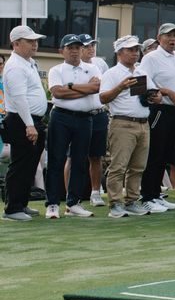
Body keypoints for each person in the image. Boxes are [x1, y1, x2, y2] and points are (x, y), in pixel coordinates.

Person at [98, 35, 160, 217]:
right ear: (119, 52)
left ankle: (132, 200)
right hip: (122, 123)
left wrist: (154, 97)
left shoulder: (140, 72)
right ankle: (115, 203)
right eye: (130, 50)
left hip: (142, 123)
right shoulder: (112, 73)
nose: (135, 53)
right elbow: (103, 98)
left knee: (138, 166)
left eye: (136, 50)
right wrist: (120, 87)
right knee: (119, 166)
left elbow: (153, 94)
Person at [46, 34, 104, 219]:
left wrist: (70, 87)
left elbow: (96, 88)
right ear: (61, 51)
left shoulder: (92, 67)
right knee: (56, 160)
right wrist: (83, 88)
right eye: (70, 47)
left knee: (80, 161)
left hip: (85, 119)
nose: (74, 51)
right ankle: (53, 203)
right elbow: (57, 93)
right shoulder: (56, 69)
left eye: (78, 47)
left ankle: (74, 203)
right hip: (61, 117)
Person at [2, 26, 49, 222]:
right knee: (20, 165)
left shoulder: (29, 63)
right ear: (16, 44)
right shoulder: (15, 66)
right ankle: (12, 208)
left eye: (35, 41)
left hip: (32, 121)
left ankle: (21, 203)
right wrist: (29, 125)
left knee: (30, 165)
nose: (34, 44)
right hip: (22, 121)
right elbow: (19, 98)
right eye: (29, 41)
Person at [139, 23, 175, 212]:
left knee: (165, 153)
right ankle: (147, 196)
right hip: (159, 110)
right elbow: (143, 82)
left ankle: (156, 194)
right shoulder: (151, 58)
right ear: (159, 38)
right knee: (154, 153)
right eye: (168, 36)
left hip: (174, 111)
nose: (172, 39)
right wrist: (167, 92)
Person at [80, 35, 110, 207]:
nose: (91, 48)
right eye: (87, 46)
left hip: (99, 113)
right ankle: (71, 193)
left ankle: (95, 192)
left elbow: (102, 86)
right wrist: (89, 86)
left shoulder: (100, 63)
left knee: (96, 156)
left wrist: (93, 86)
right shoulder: (74, 66)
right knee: (74, 157)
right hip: (81, 114)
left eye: (92, 45)